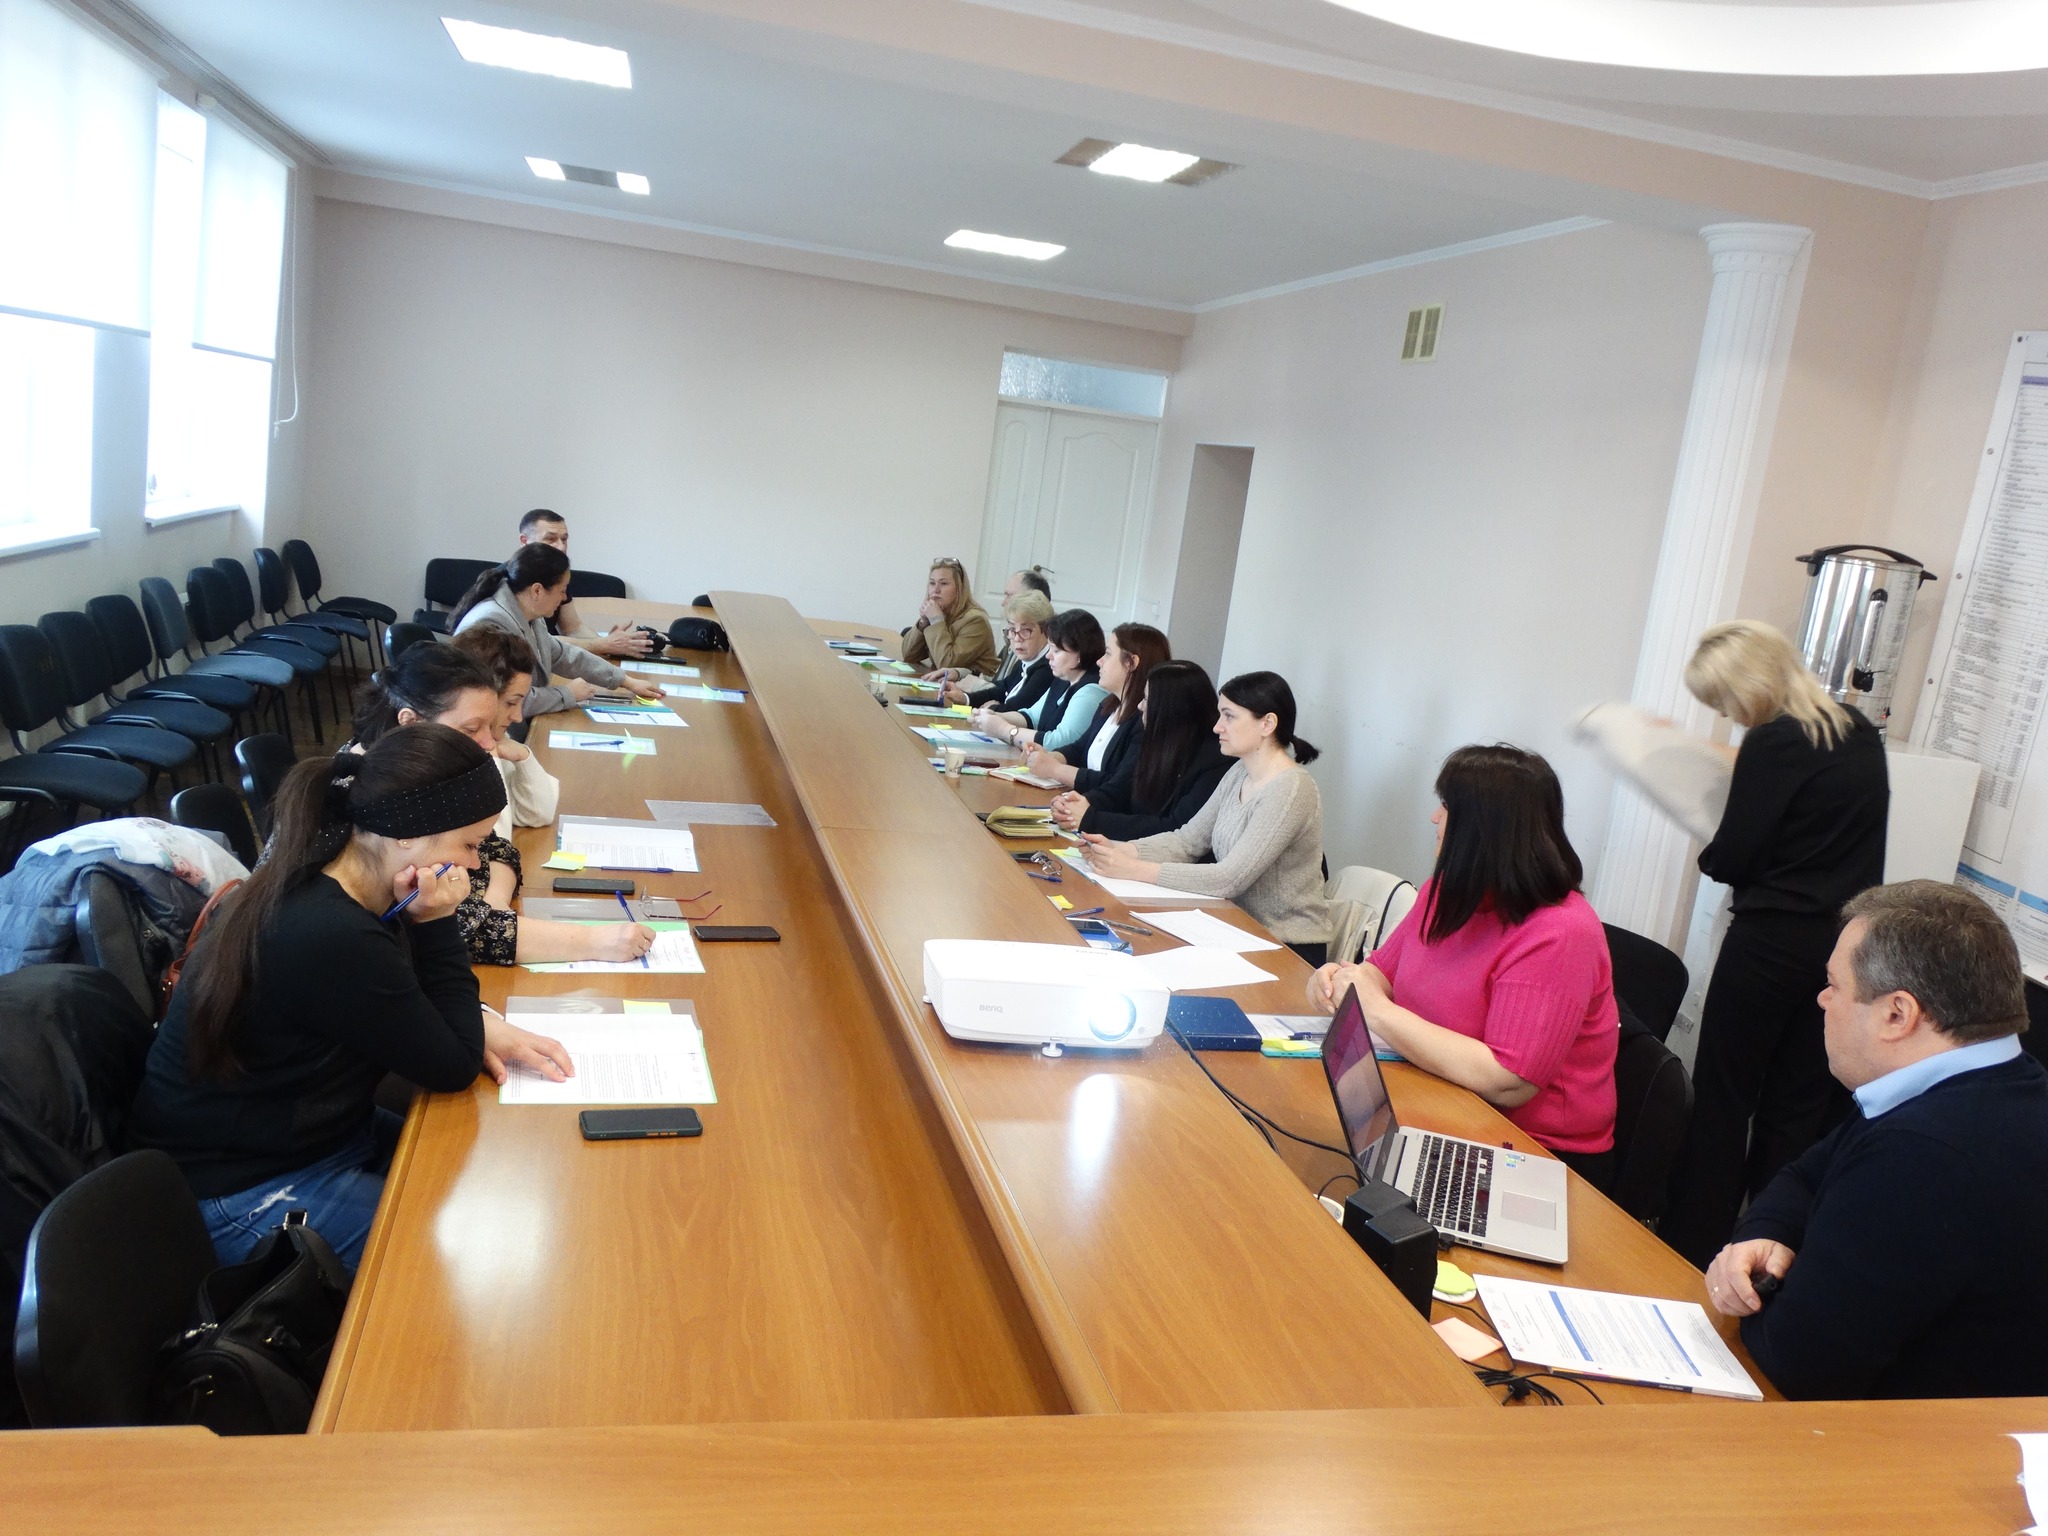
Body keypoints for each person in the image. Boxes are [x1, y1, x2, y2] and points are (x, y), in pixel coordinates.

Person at [127, 727, 575, 1271]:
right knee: (455, 1256)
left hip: (320, 1135)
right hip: (239, 1186)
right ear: (409, 836)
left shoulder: (340, 876)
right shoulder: (329, 930)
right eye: (469, 844)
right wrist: (437, 921)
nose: (476, 864)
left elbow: (418, 1009)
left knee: (490, 1171)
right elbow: (453, 1065)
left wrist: (464, 1008)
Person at [1705, 881, 2048, 1400]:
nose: (1821, 999)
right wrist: (1765, 1236)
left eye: (1834, 984)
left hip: (1903, 1438)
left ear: (1896, 1014)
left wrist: (1763, 1285)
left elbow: (1797, 1359)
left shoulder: (1924, 1154)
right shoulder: (1997, 1083)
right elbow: (1807, 1176)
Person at [1661, 619, 1891, 1267]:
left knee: (1723, 1101)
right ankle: (1769, 1249)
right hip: (1841, 952)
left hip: (1767, 946)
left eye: (1723, 699)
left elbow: (1737, 854)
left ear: (1748, 684)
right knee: (1797, 1108)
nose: (1727, 714)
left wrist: (1710, 851)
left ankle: (1689, 1249)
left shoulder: (1773, 741)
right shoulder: (1858, 732)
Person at [1305, 745, 1619, 1181]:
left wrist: (1374, 1010)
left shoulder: (1561, 932)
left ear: (1484, 828)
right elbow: (1379, 973)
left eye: (1447, 808)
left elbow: (1508, 1079)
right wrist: (1337, 980)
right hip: (1439, 1097)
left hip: (1534, 1151)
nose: (1434, 818)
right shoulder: (1445, 892)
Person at [349, 645, 653, 970]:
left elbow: (493, 846)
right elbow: (457, 927)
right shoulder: (373, 798)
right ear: (410, 722)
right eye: (471, 729)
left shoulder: (427, 776)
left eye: (489, 726)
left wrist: (494, 899)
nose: (489, 742)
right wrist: (594, 941)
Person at [1080, 670, 1330, 962]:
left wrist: (1133, 869)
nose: (1217, 727)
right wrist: (1121, 849)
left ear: (1267, 724)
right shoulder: (1239, 772)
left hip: (1287, 946)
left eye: (1229, 716)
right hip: (1235, 927)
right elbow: (1188, 841)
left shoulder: (1291, 788)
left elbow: (1229, 878)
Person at [450, 543, 663, 718]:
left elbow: (562, 654)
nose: (563, 598)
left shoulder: (528, 612)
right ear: (537, 590)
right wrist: (567, 694)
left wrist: (625, 681)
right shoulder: (492, 623)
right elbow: (505, 700)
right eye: (562, 590)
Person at [1051, 659, 1229, 841]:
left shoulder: (1215, 760)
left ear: (1170, 709)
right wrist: (1078, 803)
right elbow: (1122, 789)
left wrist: (1091, 819)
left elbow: (1175, 827)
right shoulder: (1157, 738)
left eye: (1146, 700)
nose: (1140, 706)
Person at [1025, 622, 1169, 788]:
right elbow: (1079, 748)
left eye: (1108, 654)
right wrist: (1047, 757)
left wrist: (1055, 770)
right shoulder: (1108, 705)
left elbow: (1118, 785)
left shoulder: (1144, 720)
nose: (1099, 661)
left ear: (1131, 662)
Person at [449, 626, 560, 835]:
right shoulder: (457, 755)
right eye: (511, 703)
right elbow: (497, 839)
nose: (518, 717)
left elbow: (538, 814)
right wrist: (490, 759)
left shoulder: (495, 739)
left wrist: (524, 757)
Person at [517, 509, 654, 658]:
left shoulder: (557, 574)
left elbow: (573, 627)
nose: (561, 547)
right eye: (551, 539)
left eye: (564, 539)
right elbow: (534, 643)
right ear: (524, 541)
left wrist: (611, 643)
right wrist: (603, 644)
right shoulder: (510, 581)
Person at [974, 608, 1109, 755]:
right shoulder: (1064, 678)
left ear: (1080, 653)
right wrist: (994, 716)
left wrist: (1005, 730)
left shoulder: (1091, 691)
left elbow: (1059, 743)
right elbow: (1031, 716)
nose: (1048, 656)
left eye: (1056, 651)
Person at [925, 567, 1050, 690]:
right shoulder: (1013, 637)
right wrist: (959, 674)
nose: (1003, 603)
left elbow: (1009, 694)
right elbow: (998, 681)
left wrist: (936, 620)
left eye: (1009, 596)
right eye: (932, 583)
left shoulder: (1037, 652)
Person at [943, 589, 1055, 712]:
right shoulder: (1026, 661)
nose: (1017, 638)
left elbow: (1016, 709)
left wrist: (992, 708)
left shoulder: (1048, 668)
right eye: (1012, 629)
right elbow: (1001, 689)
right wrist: (965, 698)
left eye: (1026, 630)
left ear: (1046, 631)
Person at [900, 558, 998, 679]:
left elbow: (947, 664)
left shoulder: (976, 621)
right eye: (932, 583)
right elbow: (908, 656)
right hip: (946, 684)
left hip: (970, 688)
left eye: (944, 584)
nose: (936, 590)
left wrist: (936, 620)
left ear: (959, 588)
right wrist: (923, 622)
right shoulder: (942, 611)